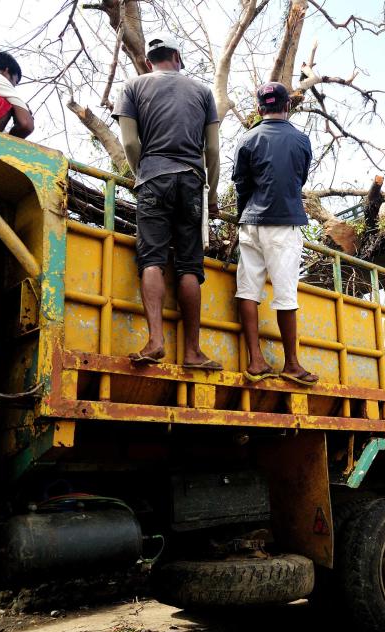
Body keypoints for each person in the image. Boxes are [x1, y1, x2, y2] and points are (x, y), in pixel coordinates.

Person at [112, 31, 222, 370]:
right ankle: (192, 352)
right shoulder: (203, 92)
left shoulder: (132, 87)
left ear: (149, 62)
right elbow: (213, 150)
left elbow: (130, 145)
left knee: (152, 260)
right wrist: (213, 195)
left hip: (153, 178)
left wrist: (141, 173)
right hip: (192, 181)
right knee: (190, 266)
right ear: (178, 58)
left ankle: (156, 340)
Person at [231, 82, 317, 386]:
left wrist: (244, 215)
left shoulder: (247, 139)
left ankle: (255, 361)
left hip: (251, 222)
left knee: (248, 289)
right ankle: (291, 364)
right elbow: (299, 178)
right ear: (287, 107)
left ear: (259, 109)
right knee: (285, 294)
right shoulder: (301, 140)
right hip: (284, 222)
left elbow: (241, 185)